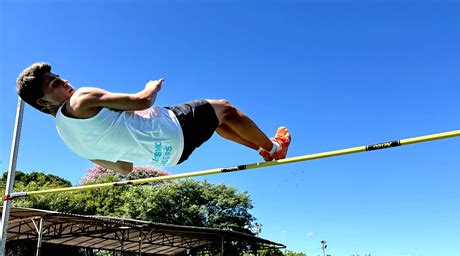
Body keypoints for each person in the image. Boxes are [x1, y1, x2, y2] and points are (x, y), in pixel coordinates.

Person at [16, 62, 291, 173]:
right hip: (169, 126)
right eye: (54, 84)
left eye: (59, 77)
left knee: (218, 121)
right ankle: (276, 147)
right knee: (225, 108)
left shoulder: (67, 138)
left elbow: (124, 167)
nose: (63, 81)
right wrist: (152, 86)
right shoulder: (80, 99)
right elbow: (142, 101)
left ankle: (263, 148)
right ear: (43, 101)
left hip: (173, 155)